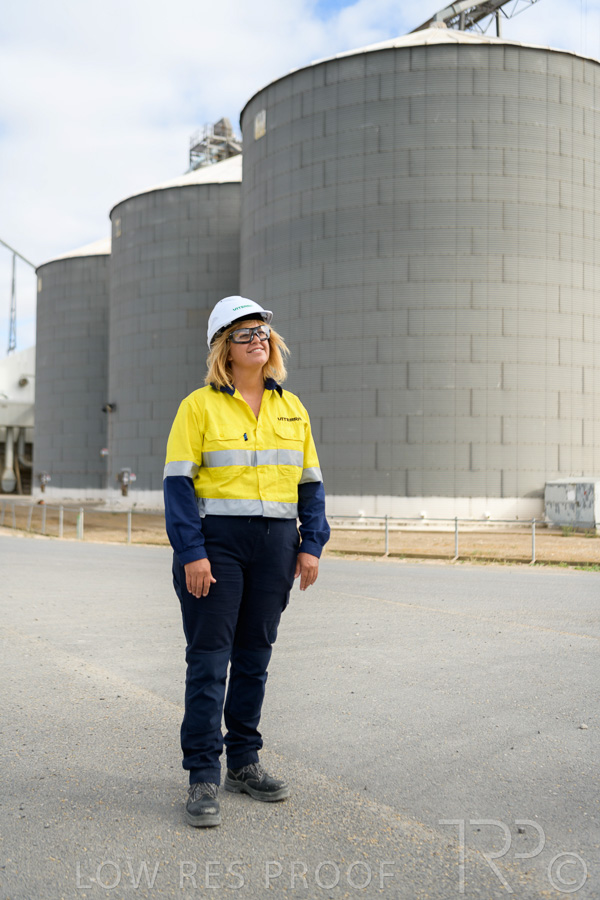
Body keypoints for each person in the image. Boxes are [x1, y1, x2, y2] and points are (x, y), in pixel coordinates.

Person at [163, 295, 330, 827]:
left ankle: (243, 762)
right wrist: (191, 552)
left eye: (263, 332)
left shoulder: (292, 407)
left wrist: (311, 544)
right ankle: (202, 774)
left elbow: (311, 484)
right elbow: (178, 487)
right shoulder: (198, 406)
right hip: (217, 545)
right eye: (245, 334)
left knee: (255, 657)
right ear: (223, 348)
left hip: (276, 545)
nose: (258, 340)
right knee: (210, 660)